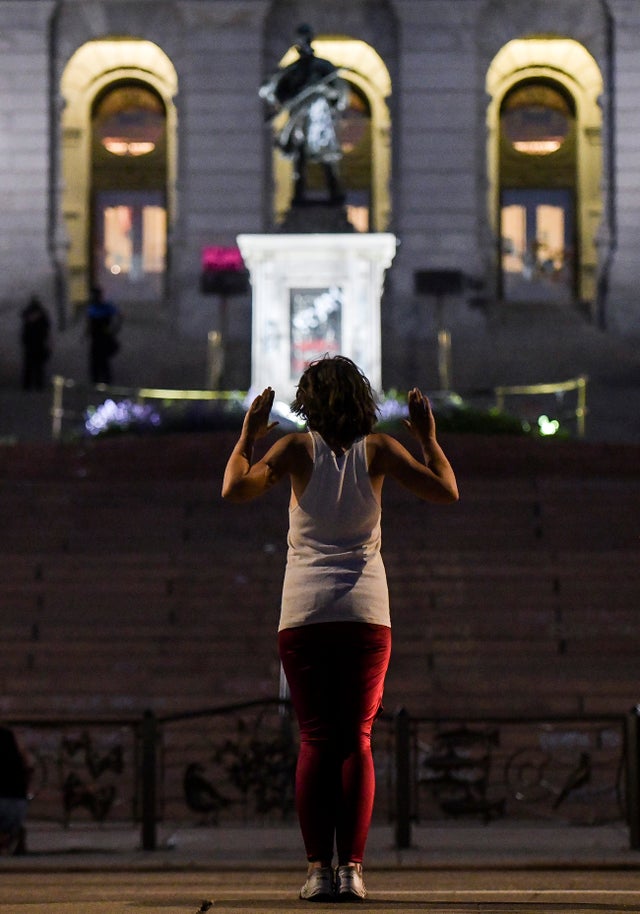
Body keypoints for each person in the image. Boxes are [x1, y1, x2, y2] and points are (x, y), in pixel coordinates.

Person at [222, 355, 458, 902]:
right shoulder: (379, 450)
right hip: (366, 614)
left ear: (308, 401)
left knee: (315, 739)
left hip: (303, 614)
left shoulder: (293, 451)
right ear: (362, 400)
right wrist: (428, 439)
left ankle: (315, 871)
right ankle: (351, 869)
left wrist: (247, 436)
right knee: (357, 741)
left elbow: (234, 488)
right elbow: (446, 489)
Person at [259, 23, 349, 205]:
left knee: (326, 156)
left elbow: (340, 92)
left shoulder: (322, 67)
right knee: (299, 157)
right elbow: (278, 94)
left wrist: (324, 90)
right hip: (299, 117)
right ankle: (298, 196)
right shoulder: (292, 70)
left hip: (319, 117)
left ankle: (335, 194)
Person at [0, 725, 31, 855]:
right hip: (18, 806)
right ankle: (12, 834)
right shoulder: (10, 738)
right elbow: (28, 766)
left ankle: (8, 836)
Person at [87, 286, 122, 385]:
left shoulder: (106, 307)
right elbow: (89, 322)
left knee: (102, 359)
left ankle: (104, 379)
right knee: (95, 358)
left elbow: (119, 316)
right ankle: (96, 379)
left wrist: (114, 330)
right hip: (96, 337)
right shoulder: (92, 307)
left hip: (103, 337)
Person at [20, 295, 51, 390]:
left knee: (30, 365)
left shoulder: (28, 314)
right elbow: (47, 328)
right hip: (38, 342)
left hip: (31, 343)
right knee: (37, 366)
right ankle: (37, 385)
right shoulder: (42, 315)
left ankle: (28, 385)